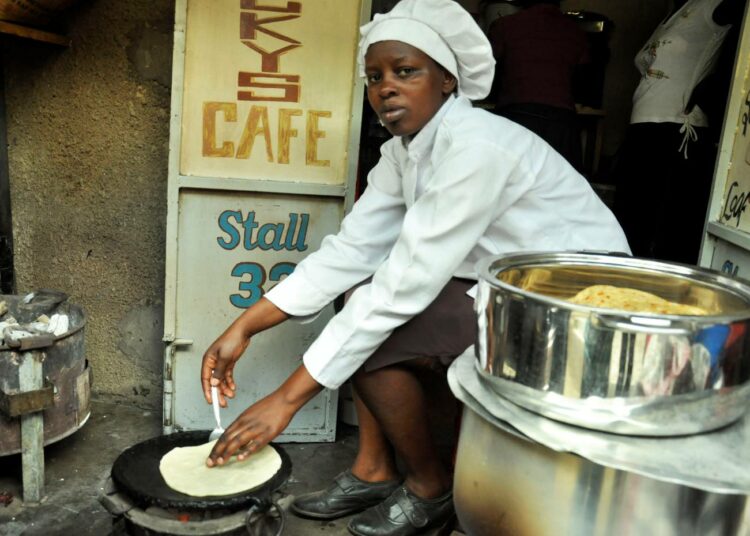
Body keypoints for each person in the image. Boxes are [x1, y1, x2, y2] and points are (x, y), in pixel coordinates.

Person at [200, 1, 630, 535]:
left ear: (448, 79)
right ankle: (375, 469)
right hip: (498, 283)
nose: (386, 88)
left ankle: (432, 486)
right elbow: (350, 250)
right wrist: (244, 326)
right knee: (357, 291)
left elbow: (406, 282)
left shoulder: (477, 147)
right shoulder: (404, 153)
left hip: (574, 303)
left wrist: (285, 401)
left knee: (377, 326)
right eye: (374, 76)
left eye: (406, 71)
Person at [612, 0, 743, 264]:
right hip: (643, 126)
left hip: (677, 128)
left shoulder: (714, 6)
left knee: (668, 229)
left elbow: (742, 46)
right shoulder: (672, 13)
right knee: (631, 221)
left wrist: (710, 89)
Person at [488, 0, 589, 171]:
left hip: (516, 118)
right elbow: (584, 78)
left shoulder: (506, 25)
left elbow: (486, 69)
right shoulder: (576, 32)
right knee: (558, 189)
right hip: (561, 125)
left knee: (507, 186)